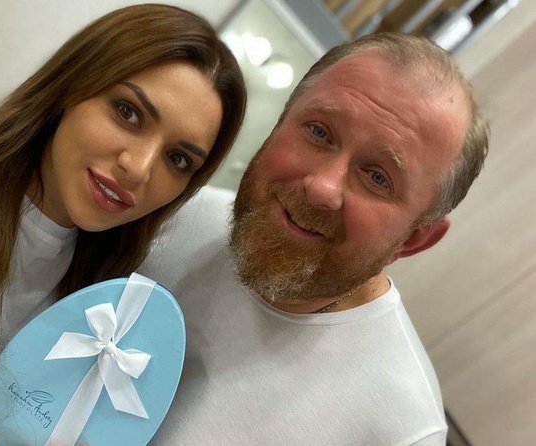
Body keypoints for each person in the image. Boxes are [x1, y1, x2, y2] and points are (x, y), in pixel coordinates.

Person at [0, 4, 246, 445]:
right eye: (128, 113)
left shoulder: (104, 310)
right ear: (72, 85)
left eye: (177, 159)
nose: (139, 168)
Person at [138, 32, 489, 445]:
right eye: (319, 132)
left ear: (414, 239)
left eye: (378, 177)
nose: (323, 187)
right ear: (279, 123)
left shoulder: (401, 429)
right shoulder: (161, 217)